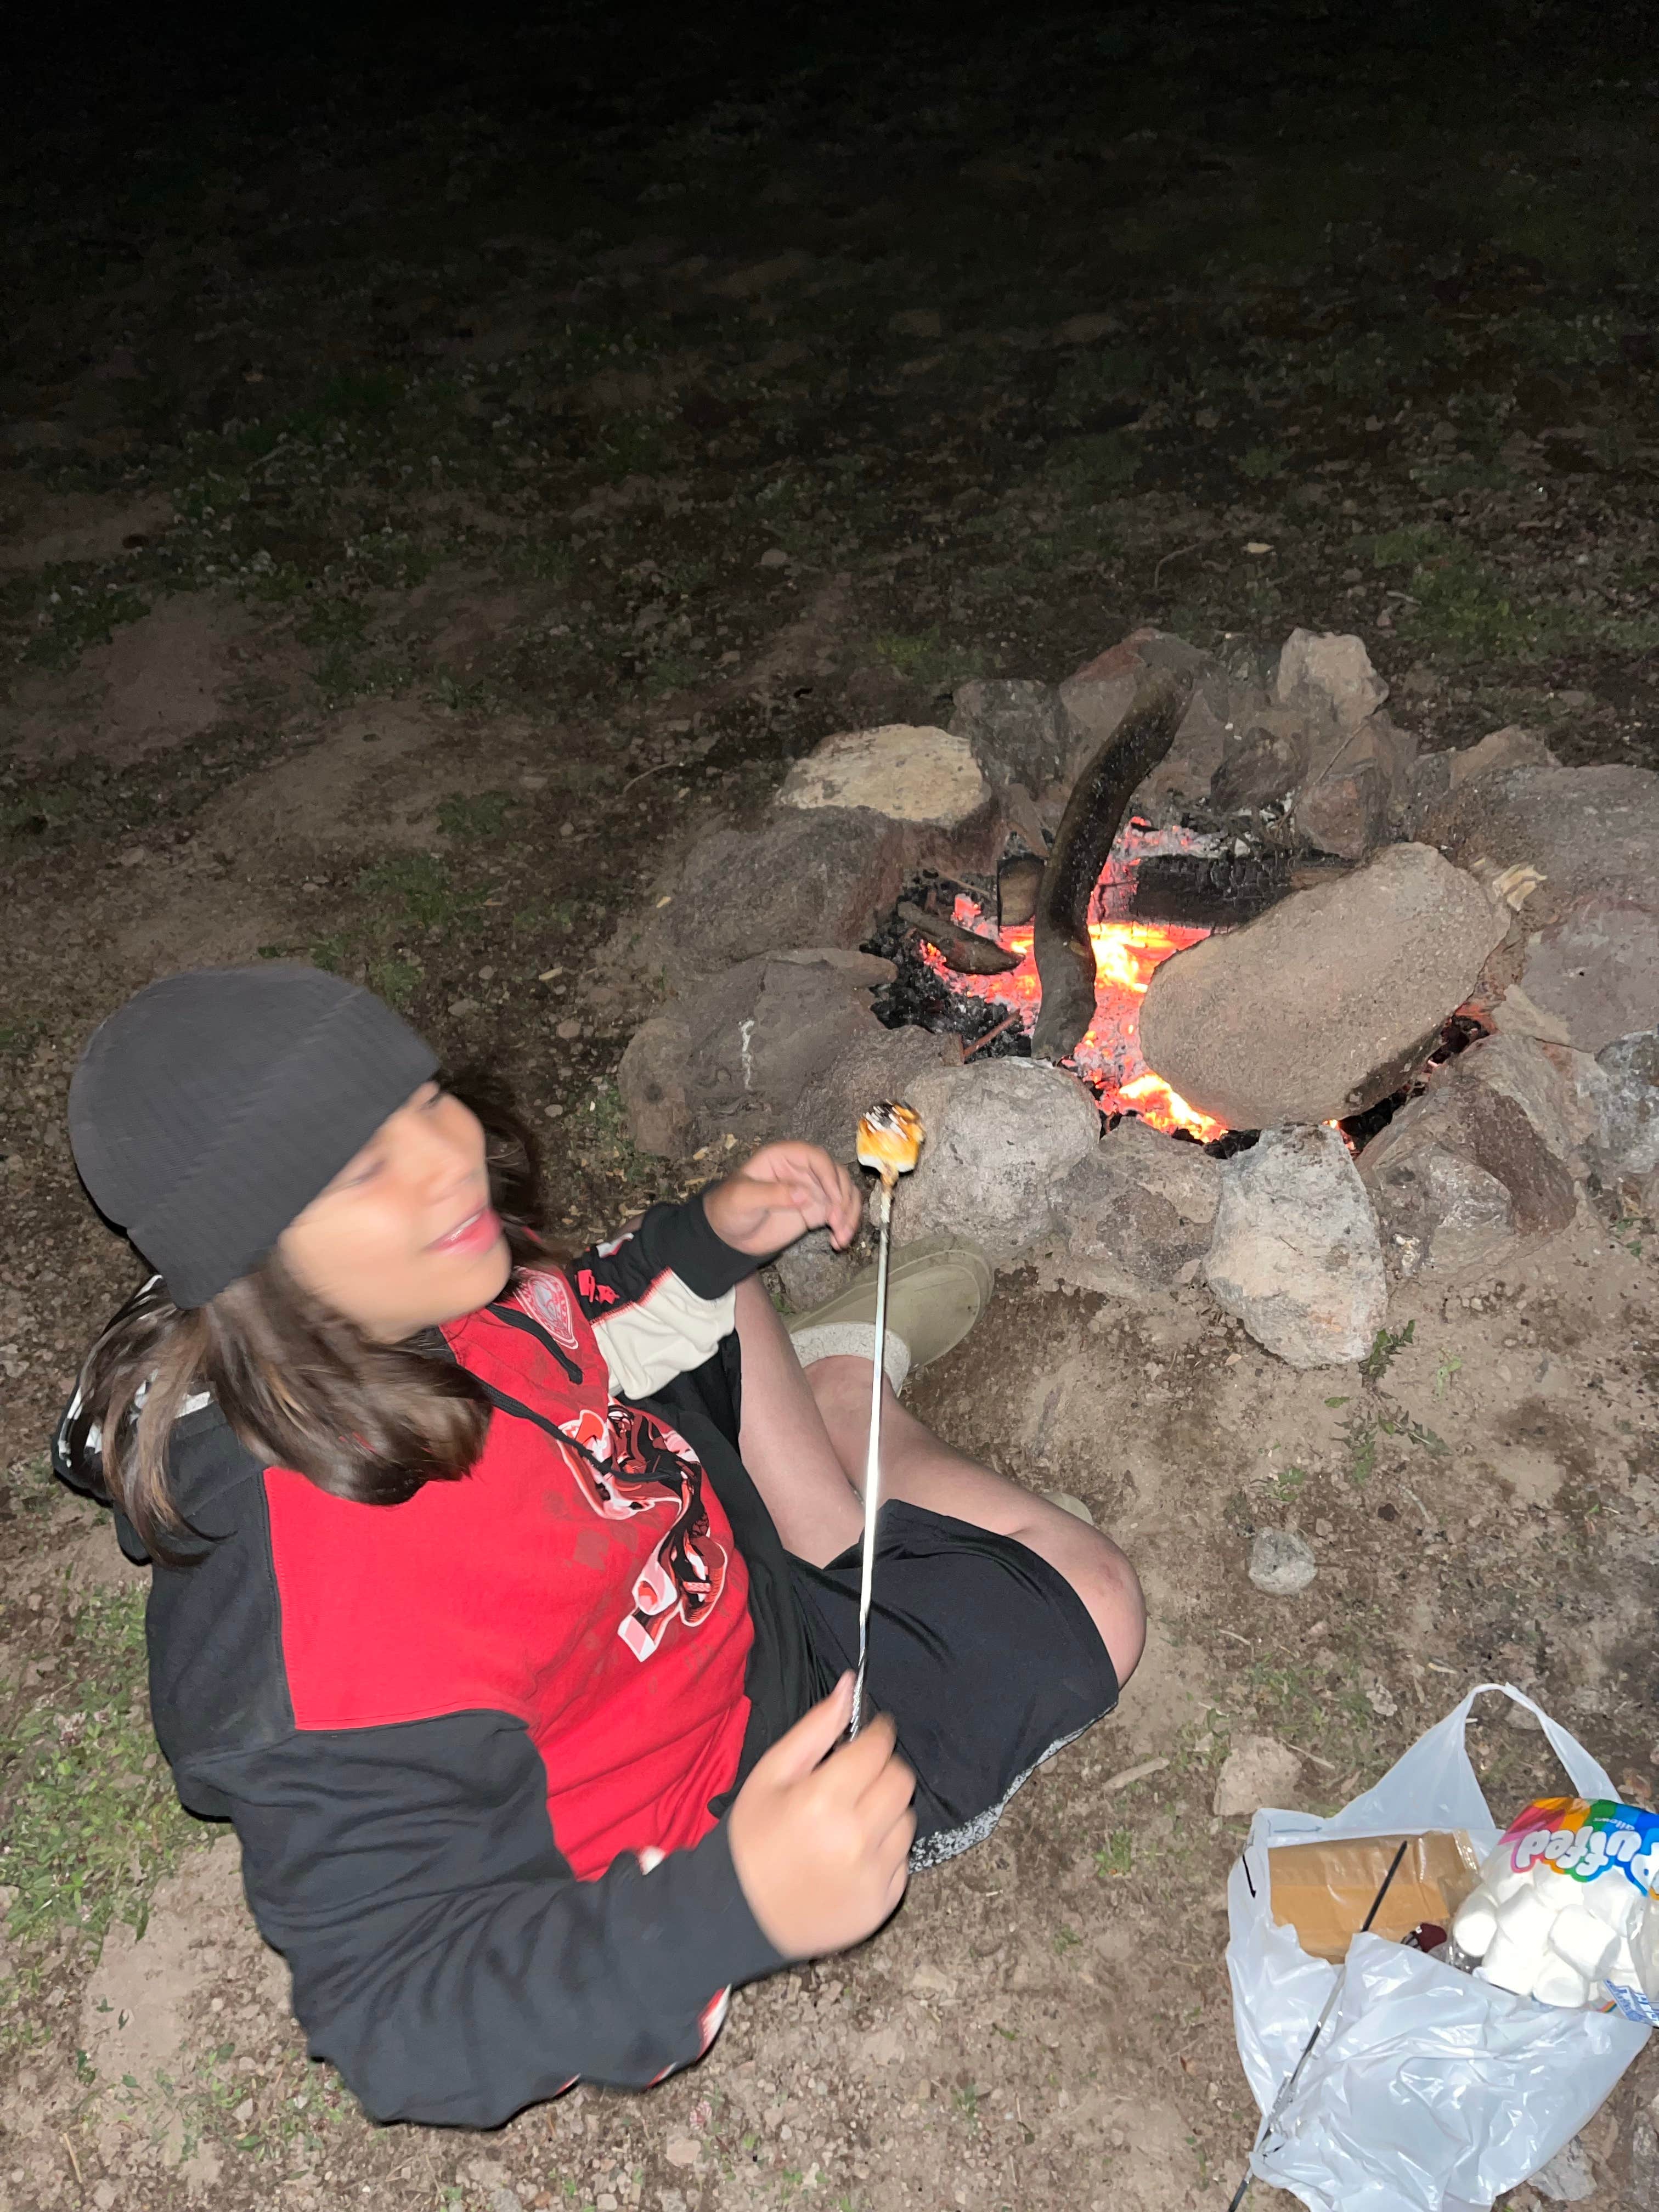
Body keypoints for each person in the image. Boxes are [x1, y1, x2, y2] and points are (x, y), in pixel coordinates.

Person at [55, 964, 1143, 2128]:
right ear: (249, 1255)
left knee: (719, 1297)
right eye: (362, 1167)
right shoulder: (330, 1609)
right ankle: (848, 1413)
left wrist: (707, 1240)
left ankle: (822, 1488)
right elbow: (394, 2013)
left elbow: (567, 1320)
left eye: (422, 1097)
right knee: (1096, 1602)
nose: (447, 1154)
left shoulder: (397, 1288)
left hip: (658, 1541)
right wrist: (734, 1905)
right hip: (712, 1778)